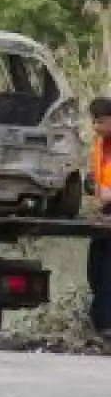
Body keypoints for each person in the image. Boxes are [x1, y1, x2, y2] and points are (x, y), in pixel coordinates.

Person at [87, 95, 111, 339]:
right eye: (94, 121)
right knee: (96, 271)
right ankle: (101, 324)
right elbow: (99, 174)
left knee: (106, 273)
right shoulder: (101, 142)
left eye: (101, 121)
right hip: (104, 216)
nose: (96, 126)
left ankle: (106, 325)